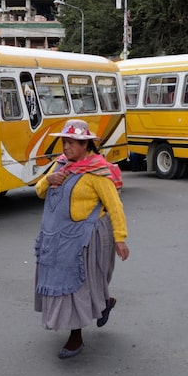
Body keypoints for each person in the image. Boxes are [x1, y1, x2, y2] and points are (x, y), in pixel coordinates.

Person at [34, 119, 130, 359]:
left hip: (85, 239)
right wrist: (48, 180)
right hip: (57, 238)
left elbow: (114, 206)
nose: (66, 147)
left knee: (77, 286)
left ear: (85, 144)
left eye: (72, 143)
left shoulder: (97, 172)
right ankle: (105, 302)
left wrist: (120, 238)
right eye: (64, 142)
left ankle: (75, 336)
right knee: (72, 283)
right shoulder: (59, 166)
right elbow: (38, 191)